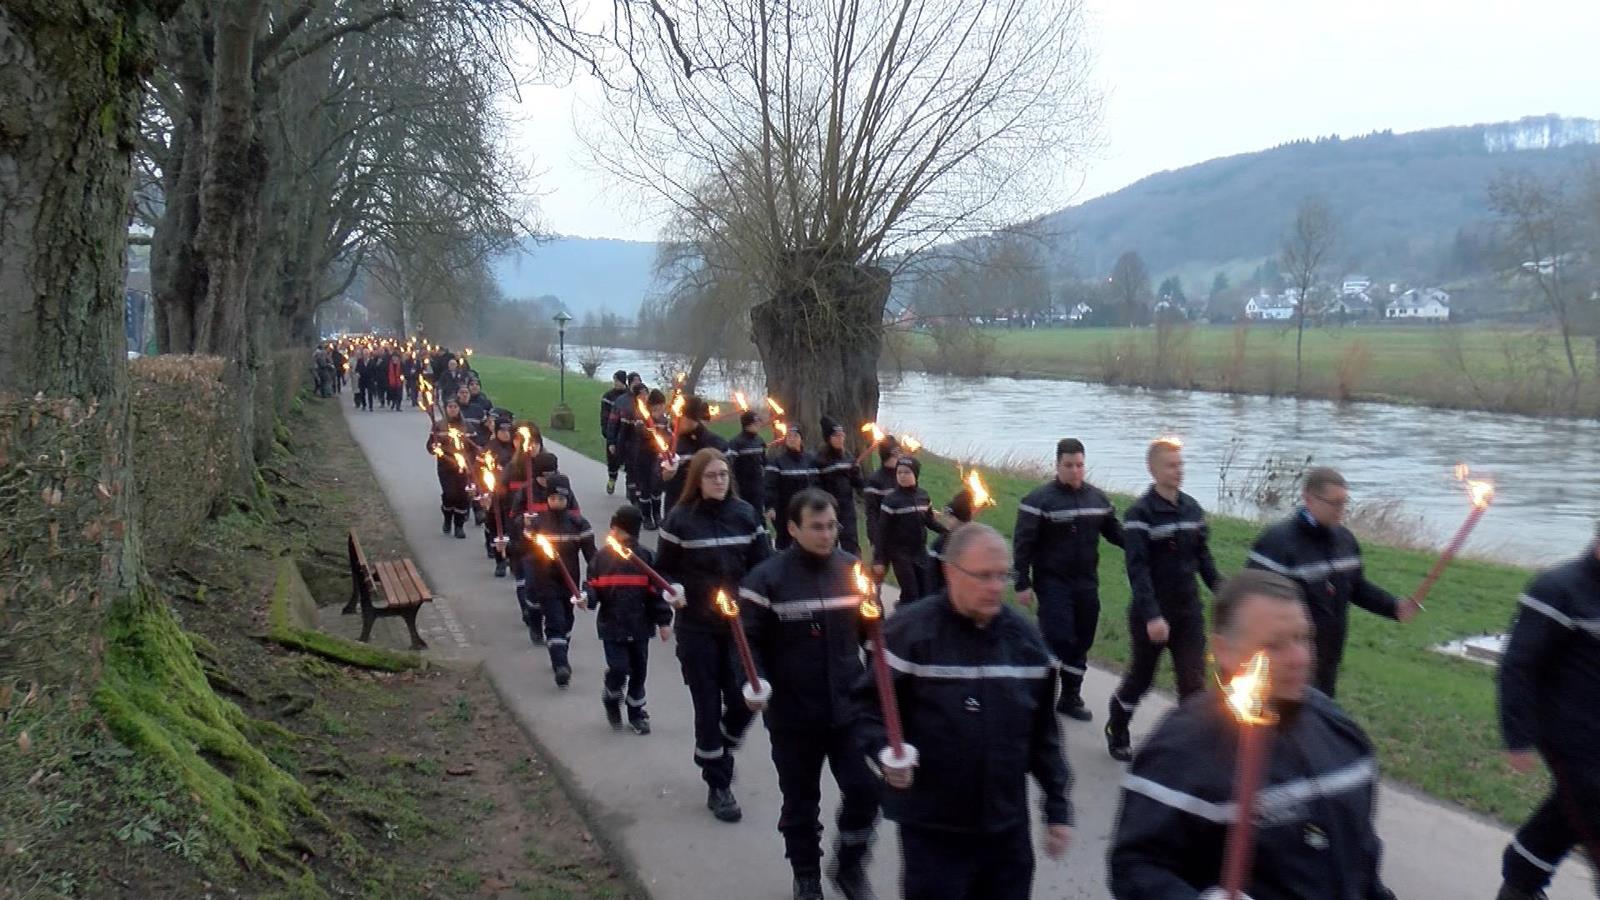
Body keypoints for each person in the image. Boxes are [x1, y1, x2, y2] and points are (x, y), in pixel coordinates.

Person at [1109, 569, 1397, 900]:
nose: (1300, 658)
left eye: (1303, 638)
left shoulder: (1341, 734)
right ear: (1224, 650)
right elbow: (1135, 868)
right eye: (1273, 645)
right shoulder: (1181, 750)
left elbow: (1361, 862)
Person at [856, 523, 1073, 900]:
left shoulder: (1027, 644)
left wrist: (1057, 806)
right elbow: (865, 709)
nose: (995, 587)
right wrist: (884, 754)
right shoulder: (908, 636)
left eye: (1002, 576)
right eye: (983, 576)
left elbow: (1043, 734)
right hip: (935, 832)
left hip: (1006, 830)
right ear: (950, 571)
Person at [741, 489, 880, 900]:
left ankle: (849, 866)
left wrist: (880, 686)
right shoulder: (766, 581)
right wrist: (753, 683)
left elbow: (873, 637)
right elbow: (747, 645)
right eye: (816, 527)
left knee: (866, 792)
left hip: (848, 710)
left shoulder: (854, 572)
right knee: (801, 804)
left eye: (832, 525)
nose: (826, 534)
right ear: (792, 529)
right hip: (793, 716)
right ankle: (806, 876)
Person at [654, 448, 773, 824]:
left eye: (723, 474)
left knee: (748, 696)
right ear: (698, 480)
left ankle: (724, 740)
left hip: (741, 629)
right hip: (698, 628)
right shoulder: (680, 520)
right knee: (706, 703)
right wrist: (671, 591)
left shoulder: (746, 515)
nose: (719, 480)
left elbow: (763, 566)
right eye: (711, 475)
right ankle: (718, 785)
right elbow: (664, 570)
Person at [1245, 467, 1418, 698]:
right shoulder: (1277, 542)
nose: (1341, 511)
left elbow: (1356, 587)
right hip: (1288, 655)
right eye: (1334, 503)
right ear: (1308, 499)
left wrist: (1393, 606)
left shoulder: (1345, 541)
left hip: (1329, 654)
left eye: (1344, 503)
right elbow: (1252, 600)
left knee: (1320, 715)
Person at [1494, 532, 1600, 900]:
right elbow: (1518, 665)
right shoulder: (1558, 589)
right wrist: (1517, 736)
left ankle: (1519, 883)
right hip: (1572, 740)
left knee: (1566, 820)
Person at [1107, 438, 1223, 762]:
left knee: (1193, 683)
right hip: (1153, 615)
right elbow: (1138, 570)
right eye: (1171, 466)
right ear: (1153, 469)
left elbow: (1204, 560)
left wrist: (1225, 594)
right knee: (1141, 680)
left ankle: (1189, 748)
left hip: (1188, 612)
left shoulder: (1192, 510)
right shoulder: (1139, 514)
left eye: (1181, 465)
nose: (1178, 471)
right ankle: (1118, 725)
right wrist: (1152, 616)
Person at [1013, 438, 1125, 721]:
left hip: (1087, 582)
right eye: (1069, 465)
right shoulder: (1038, 501)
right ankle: (1039, 691)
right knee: (1058, 637)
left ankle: (1070, 697)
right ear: (1057, 465)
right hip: (1052, 582)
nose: (1075, 471)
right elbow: (1023, 544)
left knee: (1082, 639)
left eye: (1080, 465)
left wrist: (1142, 542)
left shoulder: (1097, 500)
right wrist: (1022, 582)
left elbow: (1116, 533)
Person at [586, 504, 673, 733]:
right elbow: (593, 586)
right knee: (619, 667)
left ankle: (636, 712)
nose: (612, 532)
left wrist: (664, 621)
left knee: (638, 671)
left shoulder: (645, 558)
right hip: (612, 626)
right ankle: (612, 697)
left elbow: (657, 593)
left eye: (617, 529)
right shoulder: (602, 558)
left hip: (639, 627)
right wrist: (587, 598)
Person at [523, 473, 595, 687]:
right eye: (552, 498)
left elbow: (592, 556)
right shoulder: (537, 524)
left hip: (570, 581)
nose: (556, 503)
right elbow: (524, 550)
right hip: (545, 580)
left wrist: (590, 586)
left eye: (561, 499)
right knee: (554, 621)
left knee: (566, 620)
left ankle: (560, 648)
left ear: (568, 498)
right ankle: (560, 666)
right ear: (547, 499)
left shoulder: (578, 524)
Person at [871, 456, 945, 607]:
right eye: (899, 473)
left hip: (920, 552)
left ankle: (905, 610)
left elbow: (929, 521)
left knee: (925, 592)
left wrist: (948, 531)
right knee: (911, 593)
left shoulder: (923, 496)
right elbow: (882, 532)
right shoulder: (891, 500)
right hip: (900, 555)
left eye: (907, 472)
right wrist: (878, 559)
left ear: (915, 474)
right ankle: (903, 617)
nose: (902, 476)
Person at [663, 397, 729, 519]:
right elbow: (655, 480)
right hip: (676, 512)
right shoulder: (670, 444)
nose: (673, 421)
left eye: (677, 417)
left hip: (709, 514)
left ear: (688, 418)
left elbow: (730, 482)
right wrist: (665, 475)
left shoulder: (718, 444)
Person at [814, 416, 866, 556]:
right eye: (836, 436)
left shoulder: (848, 457)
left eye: (842, 435)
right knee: (830, 543)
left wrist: (855, 474)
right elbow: (815, 486)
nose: (840, 439)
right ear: (828, 438)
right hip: (828, 508)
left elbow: (859, 484)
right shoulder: (820, 460)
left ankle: (855, 572)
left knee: (851, 543)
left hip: (847, 508)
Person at [426, 399, 474, 539]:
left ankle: (459, 526)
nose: (452, 409)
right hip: (445, 466)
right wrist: (435, 448)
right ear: (446, 409)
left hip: (464, 467)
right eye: (450, 406)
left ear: (459, 409)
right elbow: (430, 446)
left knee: (462, 496)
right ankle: (447, 518)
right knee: (450, 494)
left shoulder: (467, 427)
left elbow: (473, 447)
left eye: (455, 407)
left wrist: (471, 460)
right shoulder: (439, 426)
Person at [765, 426, 817, 550]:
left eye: (795, 436)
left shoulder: (811, 460)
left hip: (806, 510)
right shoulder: (777, 462)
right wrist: (770, 506)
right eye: (789, 436)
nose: (792, 439)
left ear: (801, 439)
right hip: (784, 511)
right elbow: (769, 486)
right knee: (784, 544)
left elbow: (816, 484)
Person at [861, 437, 901, 555]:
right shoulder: (875, 480)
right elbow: (871, 512)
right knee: (877, 571)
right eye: (896, 453)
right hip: (883, 535)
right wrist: (874, 539)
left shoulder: (902, 476)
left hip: (903, 535)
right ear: (887, 454)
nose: (900, 456)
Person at [728, 410, 769, 515]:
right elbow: (730, 466)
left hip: (758, 487)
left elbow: (765, 462)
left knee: (758, 516)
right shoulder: (736, 443)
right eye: (755, 422)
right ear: (747, 423)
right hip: (742, 488)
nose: (758, 424)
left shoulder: (760, 441)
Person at [601, 370, 630, 495]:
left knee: (630, 460)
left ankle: (630, 485)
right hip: (613, 431)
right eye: (615, 381)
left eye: (618, 381)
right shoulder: (608, 396)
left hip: (626, 433)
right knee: (612, 459)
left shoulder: (630, 396)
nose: (615, 383)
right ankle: (612, 479)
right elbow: (604, 415)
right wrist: (606, 430)